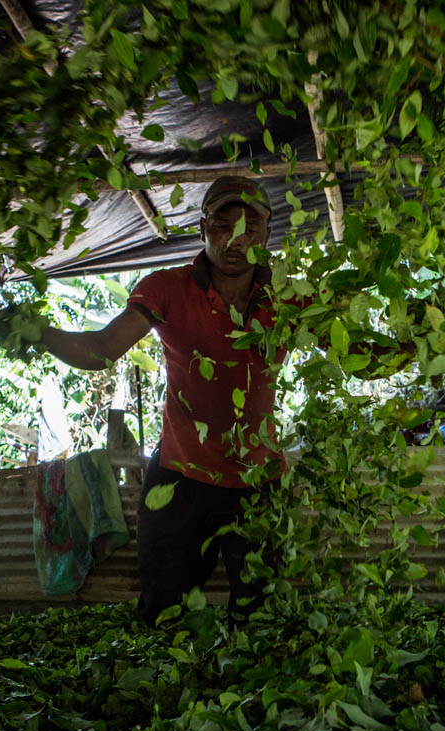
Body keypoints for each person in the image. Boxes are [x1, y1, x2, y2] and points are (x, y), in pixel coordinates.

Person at [40, 177, 286, 624]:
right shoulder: (167, 288)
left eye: (250, 227)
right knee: (163, 610)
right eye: (223, 224)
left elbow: (359, 358)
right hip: (179, 477)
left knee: (260, 618)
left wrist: (431, 338)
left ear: (267, 235)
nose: (236, 238)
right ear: (201, 227)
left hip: (259, 481)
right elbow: (103, 348)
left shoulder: (289, 299)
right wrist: (36, 331)